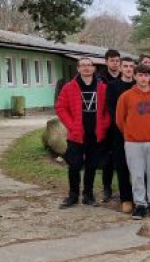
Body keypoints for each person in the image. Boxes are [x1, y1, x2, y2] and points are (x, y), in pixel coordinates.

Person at [55, 57, 110, 208]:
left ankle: (88, 195)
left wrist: (104, 125)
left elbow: (109, 110)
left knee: (91, 166)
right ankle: (73, 196)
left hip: (96, 134)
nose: (86, 68)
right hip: (76, 135)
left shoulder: (102, 88)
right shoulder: (69, 87)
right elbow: (60, 107)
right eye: (83, 65)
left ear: (93, 68)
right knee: (74, 165)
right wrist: (71, 125)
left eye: (89, 65)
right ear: (78, 69)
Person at [116, 64, 150, 220]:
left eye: (146, 75)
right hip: (133, 143)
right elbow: (120, 119)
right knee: (137, 175)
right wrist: (130, 134)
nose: (143, 78)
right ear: (135, 76)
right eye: (140, 75)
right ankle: (140, 204)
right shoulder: (126, 96)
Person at [106, 56, 136, 213]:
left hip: (138, 133)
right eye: (126, 66)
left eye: (131, 66)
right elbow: (112, 110)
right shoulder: (112, 86)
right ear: (121, 68)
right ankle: (126, 198)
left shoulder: (139, 85)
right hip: (119, 132)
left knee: (138, 167)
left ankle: (139, 196)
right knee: (122, 166)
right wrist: (125, 128)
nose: (129, 69)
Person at [99, 49, 121, 202]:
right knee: (107, 158)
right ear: (106, 62)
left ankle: (124, 187)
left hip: (123, 124)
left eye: (117, 61)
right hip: (107, 123)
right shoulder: (100, 79)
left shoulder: (125, 77)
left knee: (122, 158)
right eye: (112, 61)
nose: (115, 63)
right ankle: (107, 188)